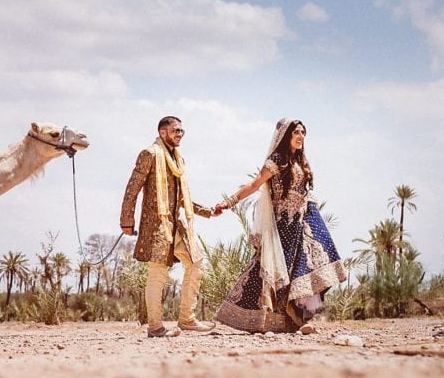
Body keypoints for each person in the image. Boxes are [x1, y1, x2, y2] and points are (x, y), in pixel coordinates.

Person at [212, 119, 347, 333]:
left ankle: (291, 321)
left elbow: (304, 193)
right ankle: (251, 316)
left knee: (302, 269)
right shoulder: (277, 161)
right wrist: (228, 202)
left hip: (300, 225)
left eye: (303, 132)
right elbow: (254, 185)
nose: (301, 136)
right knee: (269, 269)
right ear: (286, 136)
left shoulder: (302, 162)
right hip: (281, 225)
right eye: (296, 132)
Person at [121, 116, 218, 337]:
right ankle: (155, 327)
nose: (180, 134)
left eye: (182, 131)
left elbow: (181, 198)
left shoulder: (178, 160)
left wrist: (207, 211)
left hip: (177, 224)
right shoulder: (150, 154)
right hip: (155, 225)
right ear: (163, 132)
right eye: (176, 130)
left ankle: (187, 319)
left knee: (196, 263)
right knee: (157, 274)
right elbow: (132, 188)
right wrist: (127, 220)